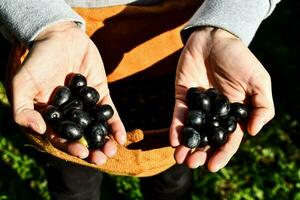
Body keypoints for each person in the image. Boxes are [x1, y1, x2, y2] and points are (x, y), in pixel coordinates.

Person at [0, 0, 279, 199]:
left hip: (182, 61)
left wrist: (225, 23)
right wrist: (44, 22)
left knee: (173, 171)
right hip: (61, 57)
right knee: (73, 178)